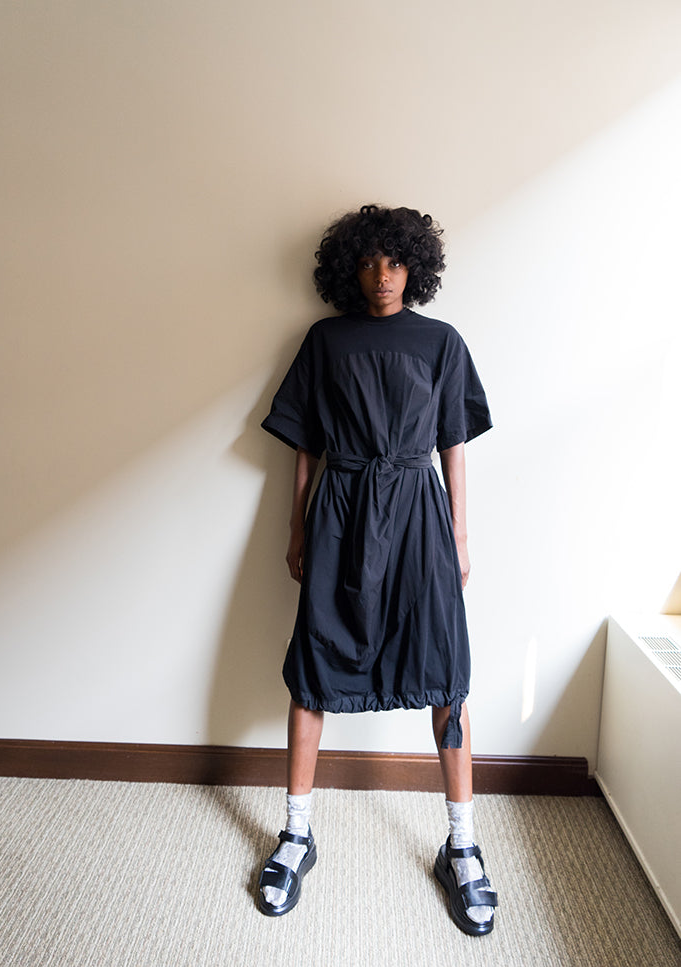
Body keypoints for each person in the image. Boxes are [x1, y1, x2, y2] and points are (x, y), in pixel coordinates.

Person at [259, 204, 498, 936]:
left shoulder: (441, 341)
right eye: (367, 263)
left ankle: (461, 844)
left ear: (414, 267)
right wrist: (296, 527)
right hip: (341, 508)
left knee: (445, 670)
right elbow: (305, 444)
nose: (381, 275)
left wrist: (459, 534)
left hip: (419, 513)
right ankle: (296, 832)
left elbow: (453, 440)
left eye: (394, 261)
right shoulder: (325, 340)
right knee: (315, 660)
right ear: (348, 271)